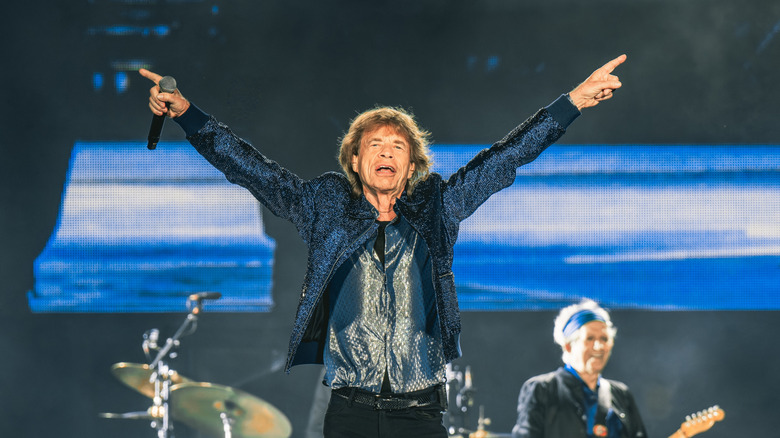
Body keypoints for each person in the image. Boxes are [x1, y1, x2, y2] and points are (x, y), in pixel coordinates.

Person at [140, 54, 626, 438]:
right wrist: (189, 115)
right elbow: (250, 168)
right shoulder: (324, 207)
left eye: (398, 146)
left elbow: (504, 159)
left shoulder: (437, 206)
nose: (386, 151)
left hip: (421, 411)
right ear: (355, 160)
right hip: (349, 410)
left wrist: (573, 103)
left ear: (412, 164)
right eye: (375, 144)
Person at [511, 299, 648, 438]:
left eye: (604, 339)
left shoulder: (621, 394)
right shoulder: (542, 389)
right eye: (590, 338)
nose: (599, 347)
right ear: (568, 345)